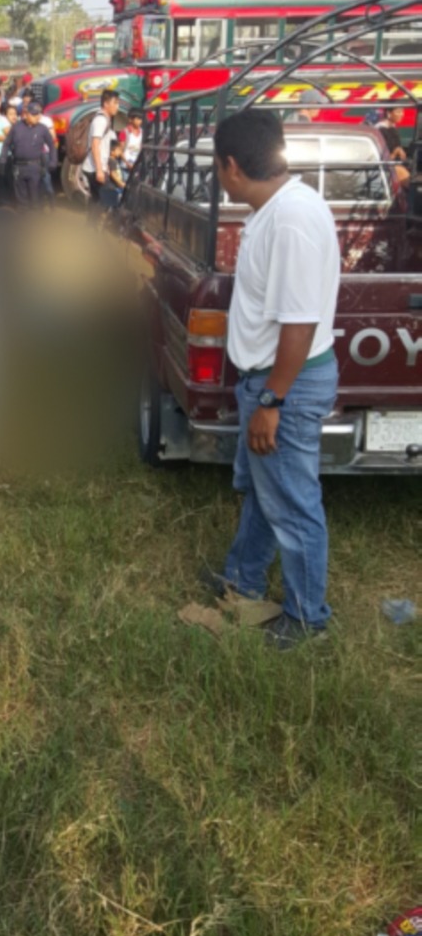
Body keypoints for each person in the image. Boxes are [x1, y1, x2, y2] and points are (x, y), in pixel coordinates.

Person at [211, 110, 340, 650]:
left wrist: (272, 400)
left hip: (285, 384)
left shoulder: (291, 219)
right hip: (269, 381)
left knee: (291, 504)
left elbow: (299, 322)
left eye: (217, 168)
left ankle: (308, 618)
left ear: (232, 166)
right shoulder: (276, 209)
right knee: (266, 494)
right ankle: (242, 580)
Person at [0, 101, 56, 207]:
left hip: (35, 167)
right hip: (19, 168)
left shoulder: (42, 129)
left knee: (36, 200)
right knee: (22, 201)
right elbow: (6, 144)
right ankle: (24, 217)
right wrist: (3, 160)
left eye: (38, 114)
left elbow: (52, 145)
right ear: (26, 114)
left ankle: (36, 216)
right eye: (34, 114)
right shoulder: (16, 127)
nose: (37, 117)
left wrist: (53, 161)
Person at [82, 88, 120, 202]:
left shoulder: (104, 119)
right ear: (106, 104)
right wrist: (99, 170)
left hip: (95, 168)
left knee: (97, 201)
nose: (117, 106)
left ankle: (93, 214)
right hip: (94, 169)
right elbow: (95, 145)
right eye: (115, 103)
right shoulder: (101, 120)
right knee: (108, 201)